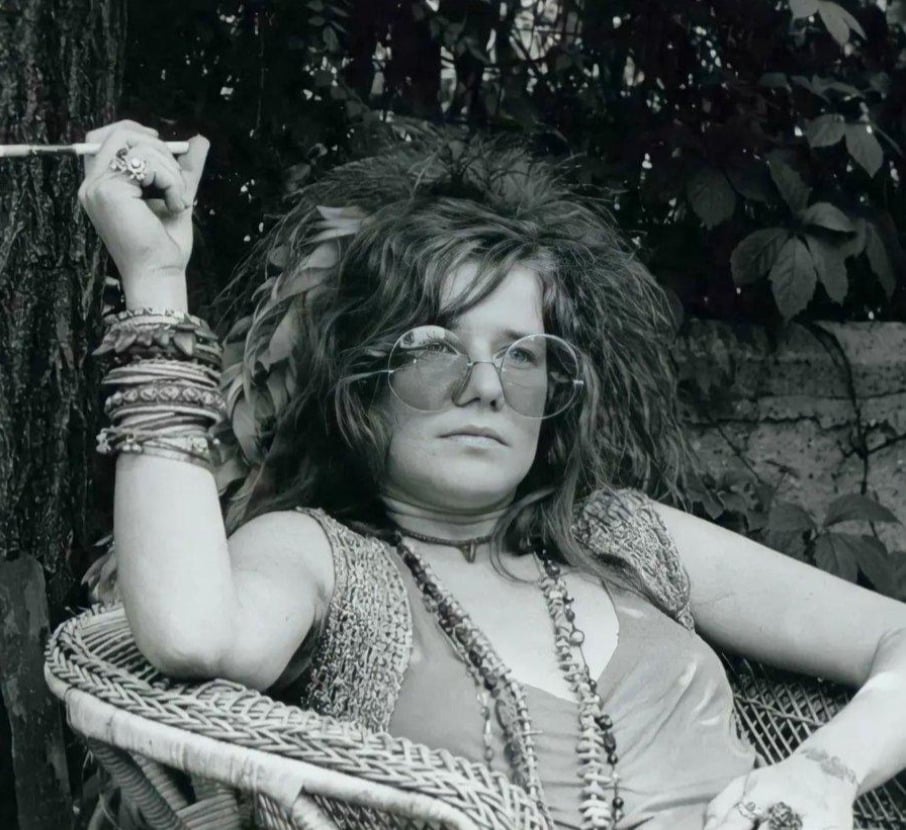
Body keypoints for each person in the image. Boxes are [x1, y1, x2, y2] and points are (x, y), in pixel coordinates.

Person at [78, 119, 906, 830]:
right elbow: (189, 633)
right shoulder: (321, 557)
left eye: (522, 355)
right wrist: (155, 280)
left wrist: (819, 776)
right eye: (436, 349)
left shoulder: (626, 535)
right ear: (364, 381)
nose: (483, 385)